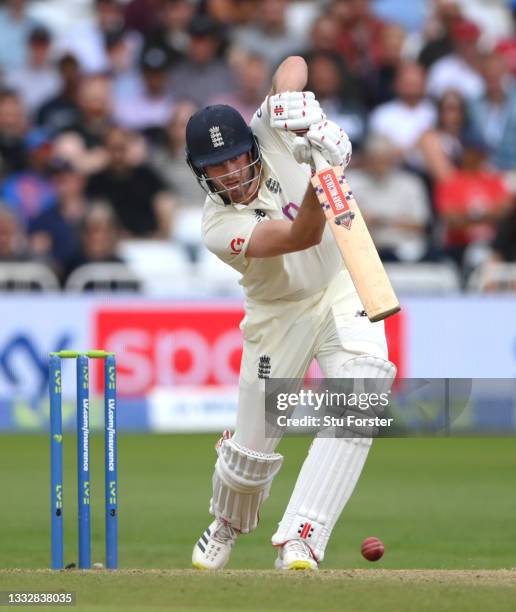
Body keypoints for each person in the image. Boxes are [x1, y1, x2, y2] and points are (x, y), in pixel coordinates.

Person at [185, 55, 396, 571]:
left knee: (363, 393)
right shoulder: (217, 225)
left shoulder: (270, 131)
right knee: (249, 459)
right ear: (200, 173)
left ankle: (303, 535)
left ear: (252, 145)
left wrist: (291, 106)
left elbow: (295, 64)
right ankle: (227, 523)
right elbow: (302, 233)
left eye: (237, 157)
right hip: (278, 315)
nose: (232, 172)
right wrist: (325, 167)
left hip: (340, 284)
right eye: (217, 167)